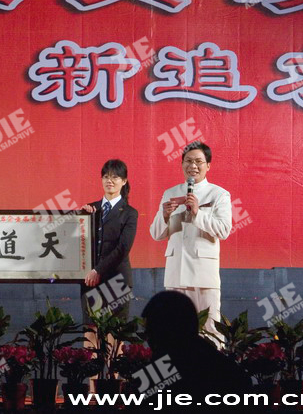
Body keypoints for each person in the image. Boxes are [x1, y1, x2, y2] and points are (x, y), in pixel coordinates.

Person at [149, 142, 232, 342]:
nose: (193, 166)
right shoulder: (170, 193)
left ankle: (212, 363)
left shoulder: (218, 194)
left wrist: (197, 213)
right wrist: (164, 216)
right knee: (175, 331)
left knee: (210, 329)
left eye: (198, 162)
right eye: (188, 161)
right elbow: (156, 234)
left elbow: (223, 230)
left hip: (204, 274)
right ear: (182, 164)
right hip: (176, 273)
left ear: (208, 165)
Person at [139, 291, 252, 412]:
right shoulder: (225, 368)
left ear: (164, 329)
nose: (148, 336)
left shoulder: (157, 373)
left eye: (151, 328)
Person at [81, 159, 138, 320]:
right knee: (90, 329)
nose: (109, 181)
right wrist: (81, 219)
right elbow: (79, 243)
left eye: (115, 177)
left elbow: (123, 248)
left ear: (124, 181)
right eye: (106, 176)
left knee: (114, 331)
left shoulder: (129, 213)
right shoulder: (90, 209)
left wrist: (98, 270)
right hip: (91, 281)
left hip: (117, 279)